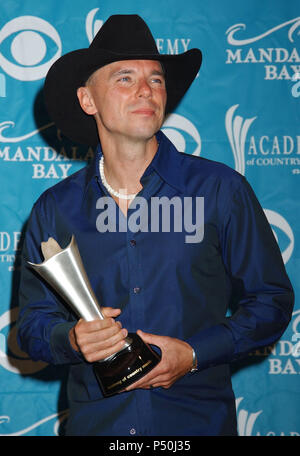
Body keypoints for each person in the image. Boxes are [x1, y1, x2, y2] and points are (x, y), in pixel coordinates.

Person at [17, 14, 294, 436]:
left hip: (196, 427)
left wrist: (195, 354)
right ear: (87, 100)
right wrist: (71, 339)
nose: (146, 89)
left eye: (156, 79)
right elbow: (33, 328)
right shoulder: (54, 209)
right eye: (125, 78)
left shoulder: (221, 191)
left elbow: (271, 301)